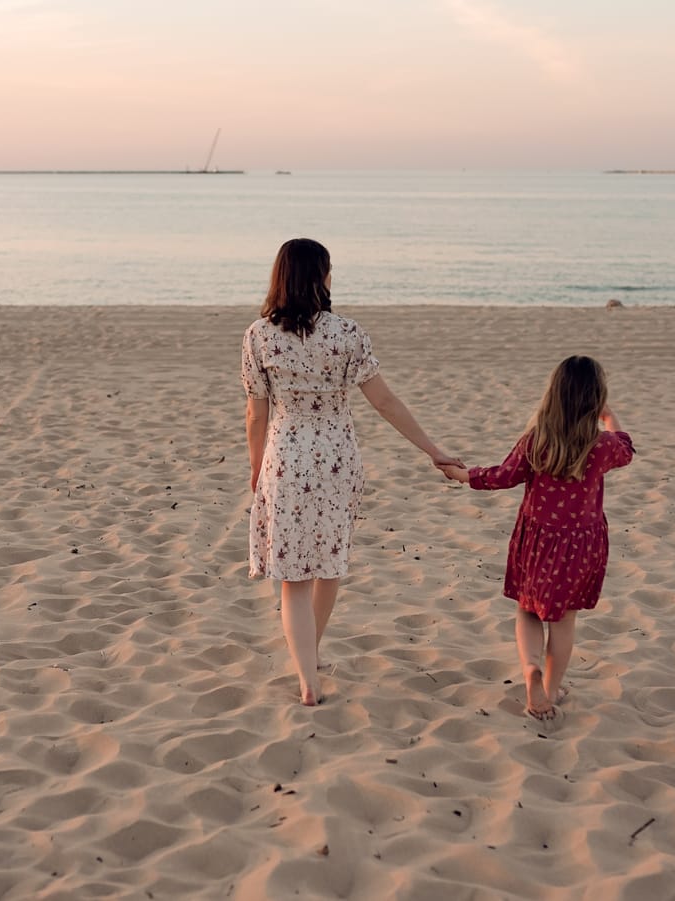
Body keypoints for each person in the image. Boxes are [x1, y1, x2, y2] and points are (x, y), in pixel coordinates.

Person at [242, 238, 459, 706]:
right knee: (328, 564)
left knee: (293, 578)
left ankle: (306, 677)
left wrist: (257, 468)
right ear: (319, 276)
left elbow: (256, 415)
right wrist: (432, 450)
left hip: (286, 458)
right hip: (337, 459)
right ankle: (311, 655)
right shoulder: (347, 334)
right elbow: (384, 401)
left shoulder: (258, 335)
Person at [438, 355, 633, 721]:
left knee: (527, 609)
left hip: (538, 542)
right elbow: (625, 447)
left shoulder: (536, 440)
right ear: (596, 399)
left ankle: (530, 669)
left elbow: (502, 475)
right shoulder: (601, 446)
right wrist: (608, 417)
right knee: (563, 619)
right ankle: (551, 688)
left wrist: (464, 475)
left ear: (552, 397)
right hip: (580, 546)